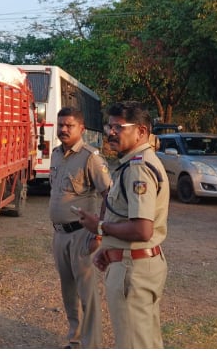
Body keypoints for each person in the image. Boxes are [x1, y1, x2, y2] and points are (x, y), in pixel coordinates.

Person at [77, 101, 170, 348]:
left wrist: (99, 228)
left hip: (134, 268)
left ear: (141, 131)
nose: (111, 132)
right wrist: (110, 250)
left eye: (119, 127)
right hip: (133, 262)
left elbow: (142, 229)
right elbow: (125, 217)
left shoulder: (138, 169)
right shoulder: (132, 164)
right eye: (110, 126)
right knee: (144, 341)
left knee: (132, 343)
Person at [48, 107, 112, 349]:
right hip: (60, 234)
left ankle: (91, 344)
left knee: (87, 294)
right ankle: (75, 339)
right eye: (61, 124)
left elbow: (109, 195)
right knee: (68, 292)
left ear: (81, 129)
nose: (63, 129)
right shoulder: (55, 154)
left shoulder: (90, 157)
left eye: (69, 125)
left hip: (82, 236)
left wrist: (99, 232)